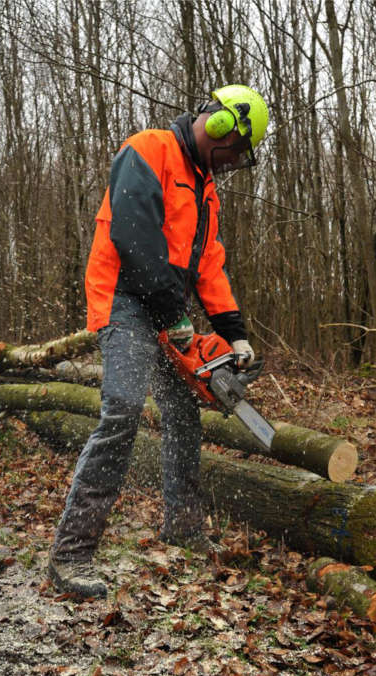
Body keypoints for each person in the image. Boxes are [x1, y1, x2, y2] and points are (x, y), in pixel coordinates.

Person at [48, 84, 269, 598]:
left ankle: (183, 528)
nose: (233, 161)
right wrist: (175, 316)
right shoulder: (147, 150)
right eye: (234, 150)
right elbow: (132, 236)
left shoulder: (205, 188)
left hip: (167, 302)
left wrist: (234, 334)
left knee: (182, 412)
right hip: (124, 297)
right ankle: (72, 553)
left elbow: (209, 264)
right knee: (123, 407)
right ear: (217, 126)